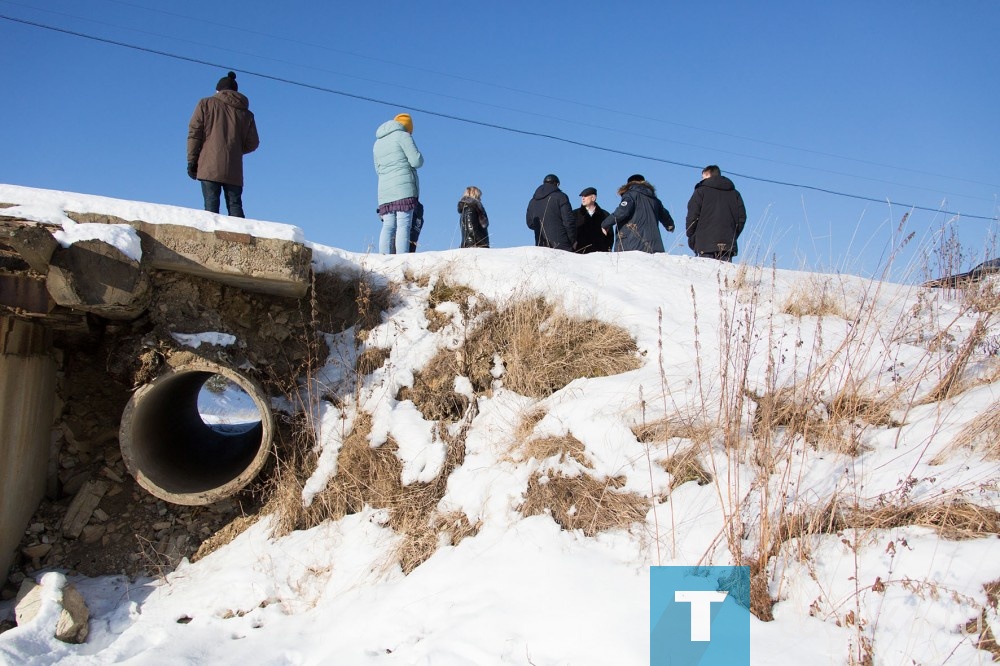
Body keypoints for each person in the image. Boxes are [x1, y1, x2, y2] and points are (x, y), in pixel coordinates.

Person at [187, 71, 260, 218]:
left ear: (218, 90)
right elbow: (253, 143)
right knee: (235, 205)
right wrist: (235, 149)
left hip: (209, 163)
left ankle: (213, 240)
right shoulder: (246, 113)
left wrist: (192, 160)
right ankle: (240, 239)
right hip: (234, 167)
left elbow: (194, 133)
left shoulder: (205, 104)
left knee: (211, 206)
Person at [373, 112, 423, 254]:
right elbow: (416, 161)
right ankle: (402, 259)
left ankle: (383, 259)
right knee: (403, 225)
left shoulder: (377, 143)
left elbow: (378, 169)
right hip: (404, 187)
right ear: (408, 127)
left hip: (384, 190)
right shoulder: (403, 136)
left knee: (388, 226)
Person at [685, 165, 747, 262]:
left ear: (707, 175)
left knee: (707, 275)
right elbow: (741, 218)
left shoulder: (701, 191)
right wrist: (733, 235)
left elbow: (692, 215)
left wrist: (691, 236)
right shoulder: (735, 194)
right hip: (727, 246)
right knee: (724, 276)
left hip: (704, 244)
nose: (702, 180)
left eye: (703, 177)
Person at [600, 174, 674, 253]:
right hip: (654, 246)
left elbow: (622, 212)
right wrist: (670, 226)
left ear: (628, 184)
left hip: (632, 244)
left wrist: (605, 224)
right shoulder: (655, 200)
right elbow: (665, 216)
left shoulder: (630, 195)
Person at [526, 174, 575, 251]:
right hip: (562, 244)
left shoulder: (532, 201)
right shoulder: (561, 197)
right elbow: (568, 221)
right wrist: (572, 240)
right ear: (557, 184)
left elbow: (530, 224)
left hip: (541, 245)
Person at [573, 186, 612, 253]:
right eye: (582, 196)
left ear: (593, 198)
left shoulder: (605, 215)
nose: (583, 198)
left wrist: (607, 249)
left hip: (600, 255)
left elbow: (610, 236)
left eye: (585, 196)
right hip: (579, 253)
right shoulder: (574, 214)